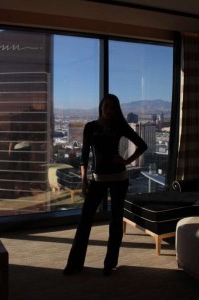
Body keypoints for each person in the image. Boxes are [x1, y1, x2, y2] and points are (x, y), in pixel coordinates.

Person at [63, 94, 148, 276]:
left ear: (116, 110)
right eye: (106, 106)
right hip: (97, 180)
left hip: (119, 179)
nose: (109, 110)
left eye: (113, 107)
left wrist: (126, 161)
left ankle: (110, 265)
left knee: (115, 222)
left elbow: (142, 145)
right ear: (101, 107)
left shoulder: (120, 126)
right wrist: (84, 180)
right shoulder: (90, 127)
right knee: (85, 221)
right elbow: (84, 156)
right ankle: (74, 264)